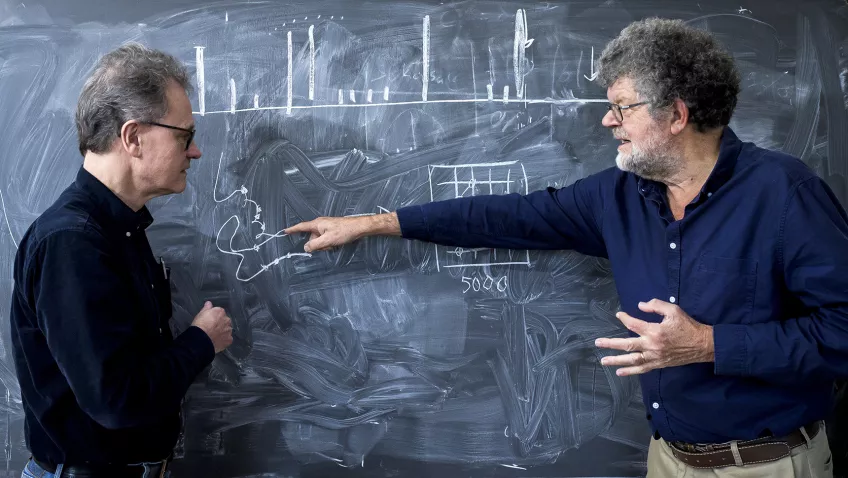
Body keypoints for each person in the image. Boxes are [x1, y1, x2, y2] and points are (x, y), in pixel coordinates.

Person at [285, 18, 844, 477]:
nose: (607, 120)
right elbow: (505, 216)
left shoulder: (785, 195)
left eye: (622, 107)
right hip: (668, 460)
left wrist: (709, 344)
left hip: (768, 465)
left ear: (676, 115)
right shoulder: (619, 197)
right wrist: (373, 222)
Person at [10, 43, 233, 478]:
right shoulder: (73, 245)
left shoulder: (115, 232)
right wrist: (201, 342)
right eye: (184, 137)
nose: (195, 152)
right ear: (132, 137)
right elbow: (115, 399)